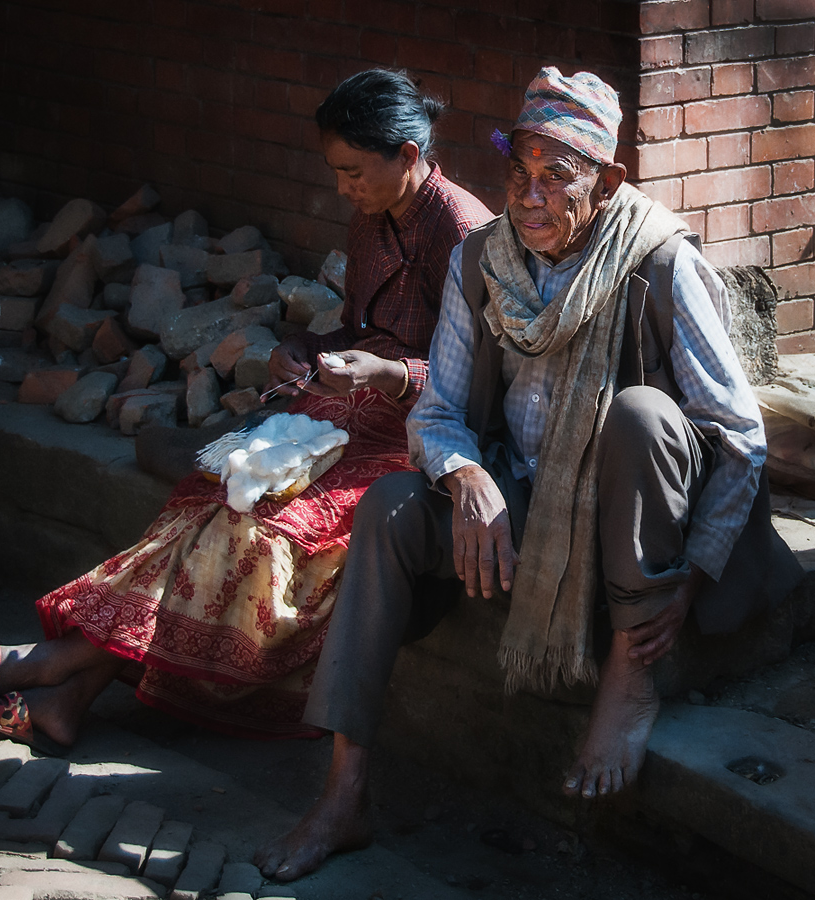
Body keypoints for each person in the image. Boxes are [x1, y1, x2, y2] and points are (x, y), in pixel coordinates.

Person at [254, 67, 802, 881]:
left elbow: (738, 435)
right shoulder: (484, 259)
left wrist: (696, 573)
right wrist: (468, 477)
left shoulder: (659, 263)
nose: (532, 198)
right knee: (393, 507)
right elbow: (437, 412)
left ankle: (631, 671)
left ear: (607, 181)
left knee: (643, 413)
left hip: (635, 516)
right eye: (519, 174)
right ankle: (345, 793)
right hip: (522, 497)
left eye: (557, 178)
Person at [0, 69, 493, 753]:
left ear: (408, 156)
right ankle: (64, 697)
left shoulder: (468, 235)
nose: (342, 188)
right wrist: (300, 347)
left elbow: (480, 386)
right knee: (210, 504)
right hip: (342, 421)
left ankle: (55, 669)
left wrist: (389, 374)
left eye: (353, 172)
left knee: (254, 535)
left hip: (420, 446)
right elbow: (353, 329)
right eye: (337, 172)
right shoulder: (369, 221)